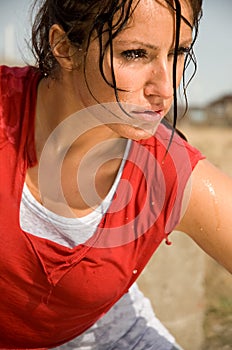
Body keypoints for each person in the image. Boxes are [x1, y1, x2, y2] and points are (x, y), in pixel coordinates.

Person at [0, 0, 232, 349]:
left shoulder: (169, 172)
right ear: (64, 47)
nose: (165, 89)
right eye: (135, 54)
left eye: (178, 52)